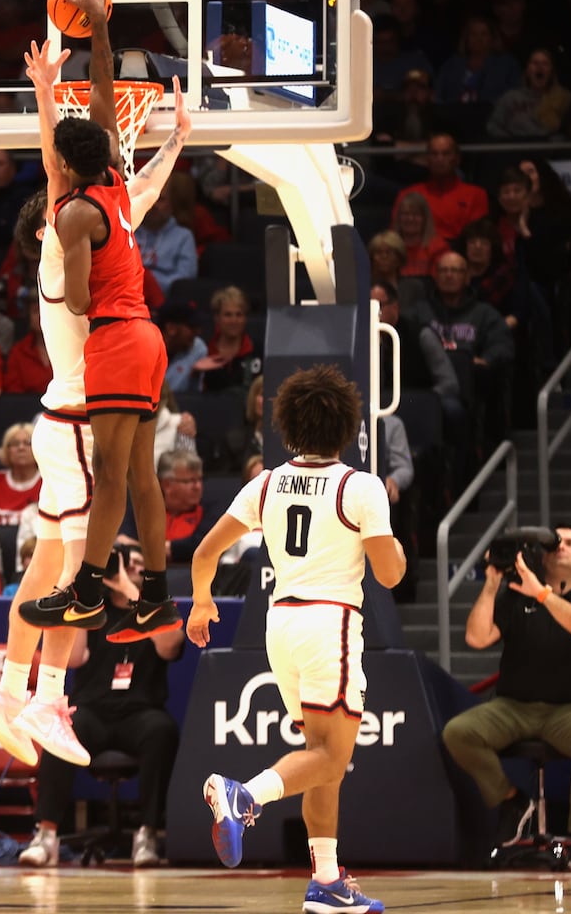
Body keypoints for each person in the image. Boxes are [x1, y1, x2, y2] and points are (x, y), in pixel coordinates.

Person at [0, 25, 192, 772]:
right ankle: (45, 696)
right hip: (74, 418)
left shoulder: (100, 212)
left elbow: (136, 185)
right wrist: (49, 100)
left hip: (62, 418)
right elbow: (62, 168)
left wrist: (169, 144)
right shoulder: (59, 238)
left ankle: (11, 688)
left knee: (47, 571)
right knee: (78, 578)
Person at [188, 365, 406, 911]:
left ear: (287, 430)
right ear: (352, 430)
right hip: (328, 624)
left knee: (318, 754)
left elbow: (204, 553)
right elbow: (390, 574)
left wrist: (202, 602)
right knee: (332, 758)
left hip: (279, 626)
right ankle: (244, 797)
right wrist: (389, 537)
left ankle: (326, 881)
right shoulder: (361, 486)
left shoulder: (265, 482)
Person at [18, 0, 176, 644]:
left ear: (60, 161)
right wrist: (101, 26)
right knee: (142, 475)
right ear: (106, 151)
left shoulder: (75, 212)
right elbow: (106, 84)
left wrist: (45, 90)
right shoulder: (113, 179)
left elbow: (80, 299)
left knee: (111, 474)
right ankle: (158, 599)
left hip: (113, 339)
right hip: (149, 338)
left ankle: (85, 589)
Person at [441, 524, 571, 873]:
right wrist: (492, 582)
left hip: (566, 710)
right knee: (457, 732)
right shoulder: (516, 596)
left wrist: (543, 596)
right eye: (554, 542)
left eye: (570, 542)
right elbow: (477, 638)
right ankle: (512, 800)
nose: (560, 547)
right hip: (513, 706)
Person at [20, 544, 185, 868]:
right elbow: (75, 657)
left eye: (136, 563)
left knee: (161, 731)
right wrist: (85, 596)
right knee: (60, 729)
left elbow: (170, 647)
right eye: (120, 565)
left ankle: (147, 833)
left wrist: (128, 588)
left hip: (140, 712)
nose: (126, 569)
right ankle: (46, 835)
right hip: (93, 710)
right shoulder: (95, 609)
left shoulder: (158, 607)